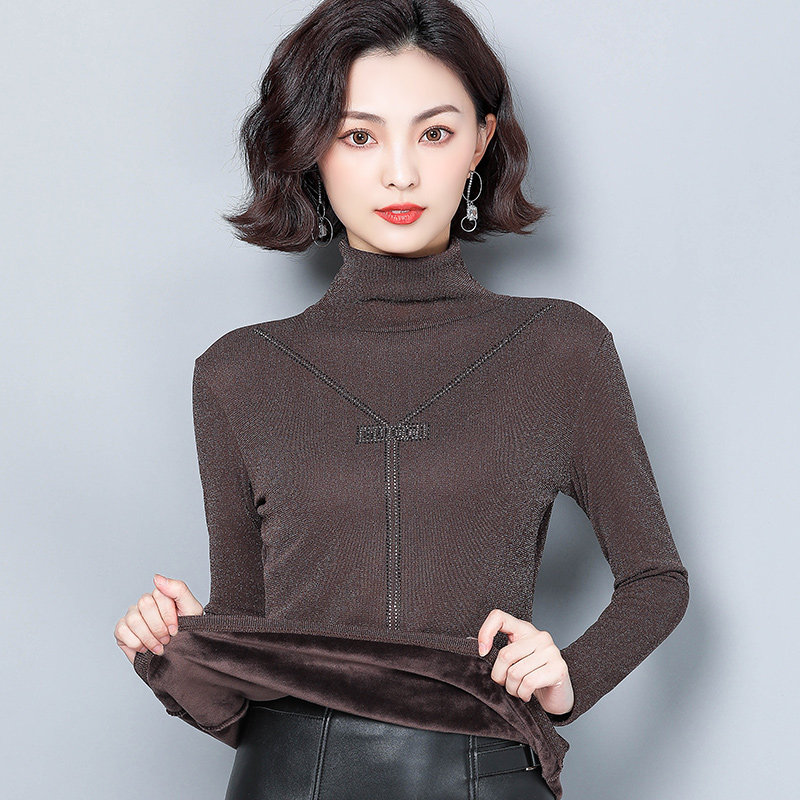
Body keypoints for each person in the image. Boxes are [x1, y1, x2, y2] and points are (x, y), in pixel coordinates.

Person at [114, 1, 689, 798]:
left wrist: (569, 677)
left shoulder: (562, 348)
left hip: (485, 772)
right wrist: (178, 648)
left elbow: (657, 579)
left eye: (434, 133)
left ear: (481, 141)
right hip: (289, 776)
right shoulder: (236, 373)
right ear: (312, 148)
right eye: (359, 137)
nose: (400, 173)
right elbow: (254, 649)